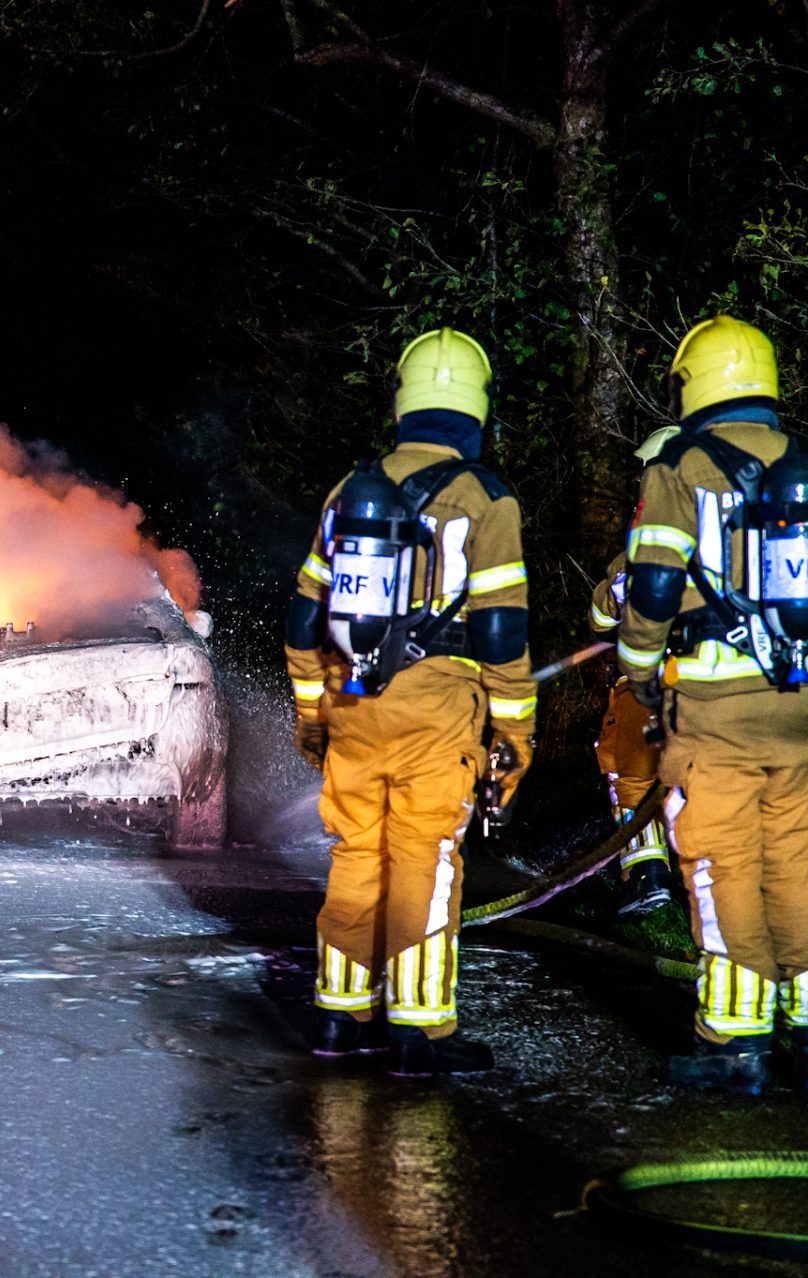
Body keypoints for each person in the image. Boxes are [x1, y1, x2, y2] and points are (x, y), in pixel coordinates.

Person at [617, 315, 808, 1095]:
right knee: (797, 871)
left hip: (712, 717)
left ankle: (734, 1047)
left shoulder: (678, 470)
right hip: (798, 713)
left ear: (693, 385)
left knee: (726, 871)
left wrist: (641, 674)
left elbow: (652, 587)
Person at [286, 326, 534, 1076]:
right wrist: (514, 732)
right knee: (426, 856)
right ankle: (419, 1031)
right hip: (439, 713)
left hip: (354, 702)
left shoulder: (350, 490)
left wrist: (312, 713)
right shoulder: (486, 499)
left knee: (358, 853)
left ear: (402, 403)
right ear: (477, 406)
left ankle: (340, 1015)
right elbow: (501, 631)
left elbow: (304, 616)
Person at [588, 426, 681, 918]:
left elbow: (600, 620)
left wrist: (617, 592)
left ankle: (647, 877)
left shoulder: (644, 540)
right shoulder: (733, 535)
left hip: (647, 683)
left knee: (628, 769)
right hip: (720, 685)